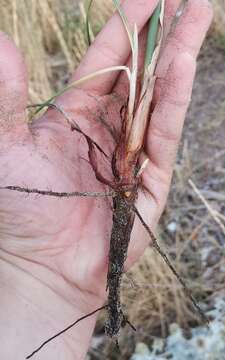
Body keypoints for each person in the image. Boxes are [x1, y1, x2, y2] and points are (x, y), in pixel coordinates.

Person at [0, 0, 212, 358]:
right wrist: (36, 276)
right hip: (122, 181)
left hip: (123, 181)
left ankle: (110, 300)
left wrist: (42, 285)